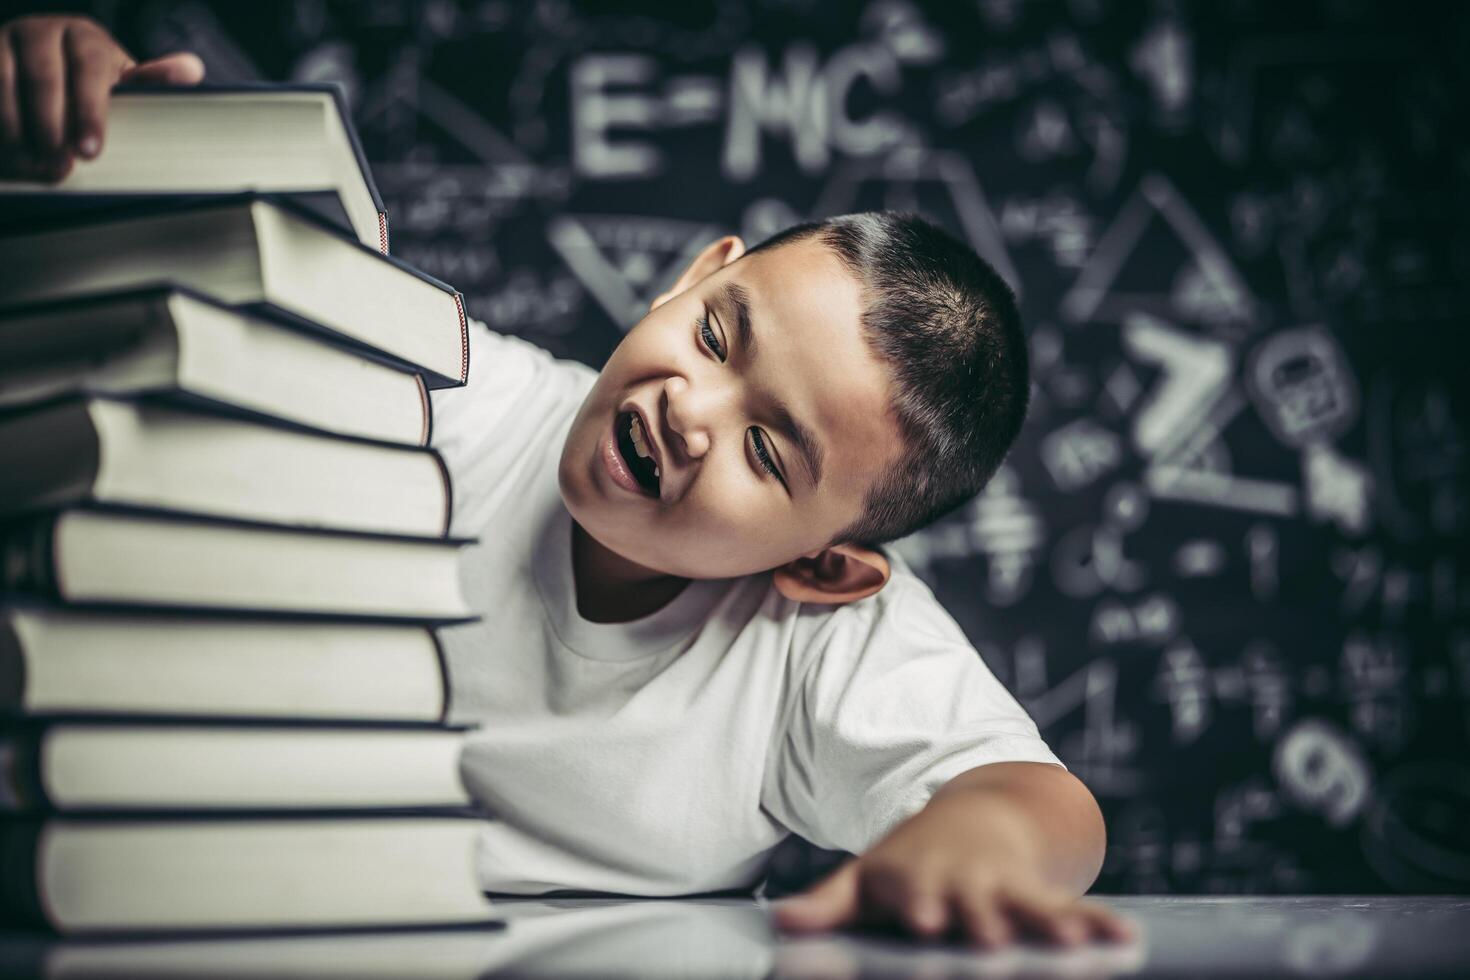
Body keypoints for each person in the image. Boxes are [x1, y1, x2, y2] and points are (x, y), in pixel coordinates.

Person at [0, 13, 1134, 949]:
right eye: (719, 337)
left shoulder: (813, 644)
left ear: (823, 564)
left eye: (767, 450)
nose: (691, 412)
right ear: (693, 278)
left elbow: (1046, 803)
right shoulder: (432, 393)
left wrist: (971, 841)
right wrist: (90, 152)